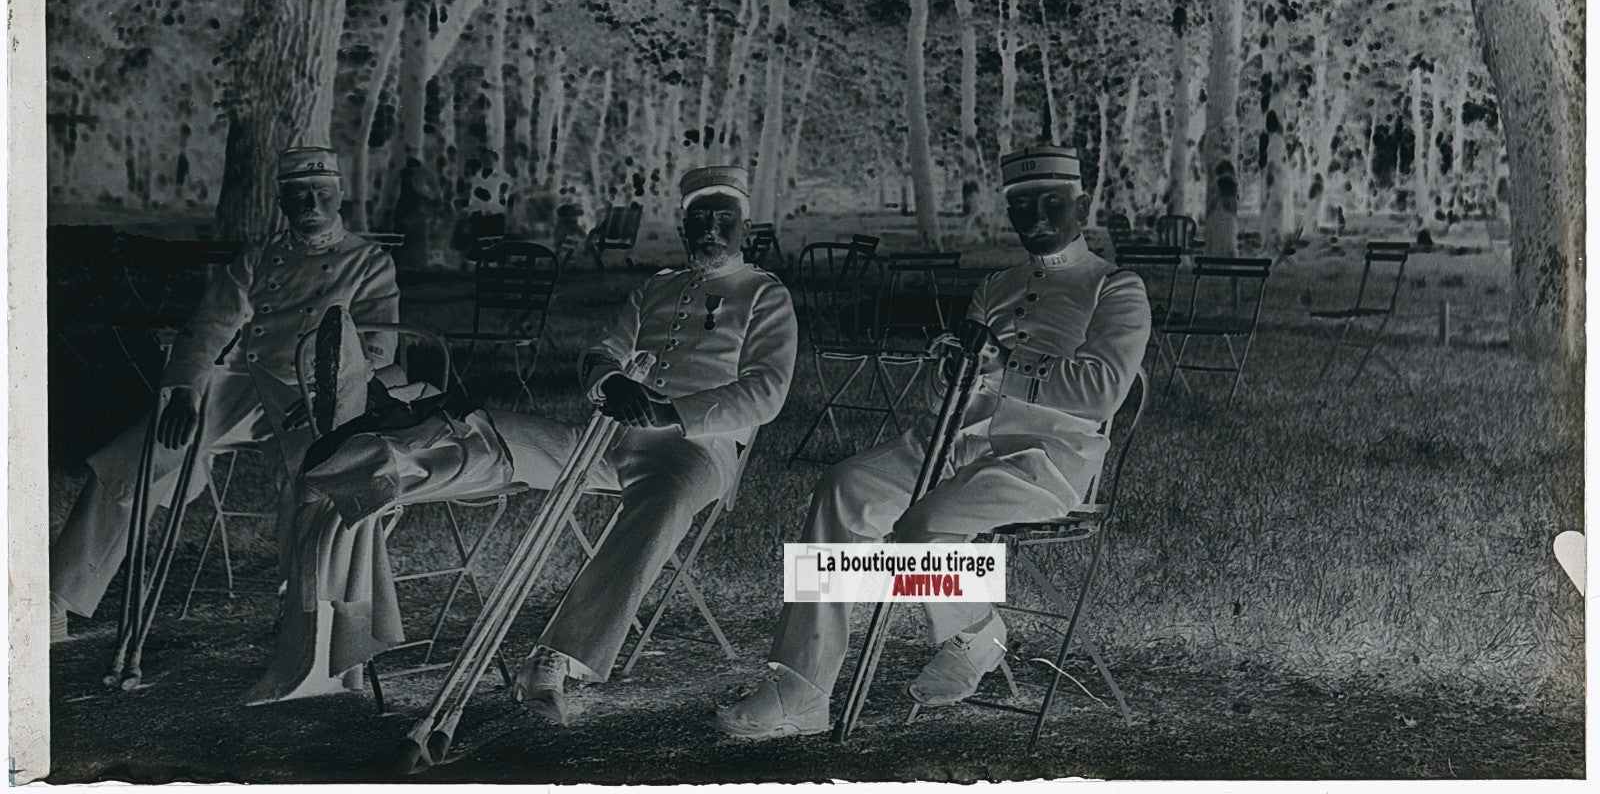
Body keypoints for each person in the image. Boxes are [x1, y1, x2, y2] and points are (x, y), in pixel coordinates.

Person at [250, 164, 798, 718]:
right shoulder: (655, 287)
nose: (710, 229)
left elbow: (766, 391)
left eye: (724, 218)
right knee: (490, 431)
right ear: (684, 226)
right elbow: (600, 354)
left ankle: (556, 659)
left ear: (744, 229)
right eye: (700, 217)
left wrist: (668, 411)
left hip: (693, 449)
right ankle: (375, 465)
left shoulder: (764, 295)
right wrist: (610, 382)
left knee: (661, 504)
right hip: (607, 436)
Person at [716, 144, 1151, 738]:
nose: (1036, 217)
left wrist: (1002, 365)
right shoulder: (996, 286)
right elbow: (962, 386)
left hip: (1044, 459)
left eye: (1051, 201)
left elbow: (1100, 392)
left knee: (922, 527)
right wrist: (955, 369)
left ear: (1081, 205)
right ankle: (802, 689)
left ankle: (976, 634)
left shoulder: (1115, 287)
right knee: (842, 488)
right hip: (953, 443)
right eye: (1022, 205)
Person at [49, 147, 399, 643]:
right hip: (241, 383)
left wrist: (334, 395)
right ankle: (57, 597)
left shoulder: (368, 261)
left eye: (322, 192)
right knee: (137, 457)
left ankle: (304, 613)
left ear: (340, 195)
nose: (312, 203)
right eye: (299, 193)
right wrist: (185, 389)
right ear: (281, 200)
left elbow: (378, 344)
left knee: (314, 476)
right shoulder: (259, 256)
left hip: (313, 395)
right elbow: (211, 323)